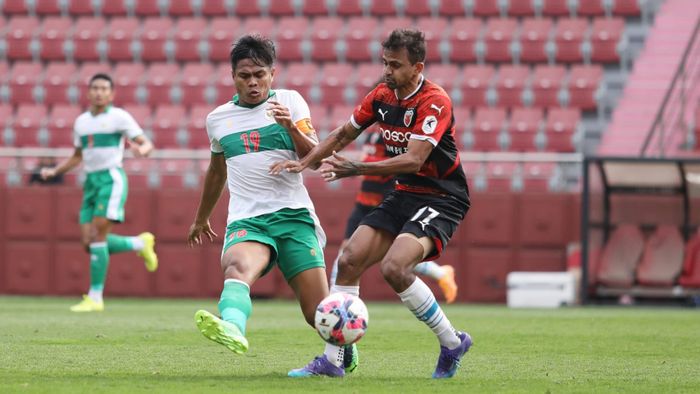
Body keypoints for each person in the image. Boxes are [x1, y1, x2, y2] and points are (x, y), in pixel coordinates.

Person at [271, 29, 472, 379]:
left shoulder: (434, 101)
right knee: (348, 260)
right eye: (385, 63)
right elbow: (343, 135)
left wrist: (357, 167)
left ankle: (451, 341)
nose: (388, 71)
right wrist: (307, 161)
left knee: (395, 268)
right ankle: (332, 362)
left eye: (396, 65)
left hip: (442, 196)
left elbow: (413, 159)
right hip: (405, 193)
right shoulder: (382, 95)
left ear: (417, 67)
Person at [186, 35, 360, 372]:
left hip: (294, 217)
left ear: (272, 74)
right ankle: (233, 327)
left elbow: (316, 155)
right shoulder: (218, 119)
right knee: (236, 267)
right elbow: (217, 169)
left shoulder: (290, 102)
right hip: (248, 220)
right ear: (233, 76)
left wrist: (289, 126)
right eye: (244, 76)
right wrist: (201, 217)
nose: (253, 83)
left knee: (318, 314)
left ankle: (341, 352)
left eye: (259, 75)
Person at [41, 73, 159, 312]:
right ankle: (139, 243)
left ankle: (95, 297)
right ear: (88, 92)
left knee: (97, 235)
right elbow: (77, 156)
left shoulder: (119, 117)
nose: (99, 92)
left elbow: (146, 143)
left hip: (111, 179)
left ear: (112, 93)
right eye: (95, 88)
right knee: (88, 242)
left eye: (104, 88)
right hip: (91, 182)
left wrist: (142, 150)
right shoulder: (82, 122)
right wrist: (55, 171)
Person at [329, 129, 459, 304]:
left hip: (383, 201)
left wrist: (360, 164)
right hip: (363, 202)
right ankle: (333, 303)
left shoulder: (392, 134)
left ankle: (334, 302)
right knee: (347, 255)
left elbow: (393, 164)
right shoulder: (372, 133)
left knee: (392, 255)